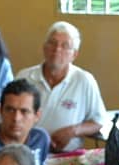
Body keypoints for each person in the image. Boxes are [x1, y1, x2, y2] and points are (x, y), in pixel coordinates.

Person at [15, 21, 106, 152]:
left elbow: (98, 121)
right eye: (52, 43)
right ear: (44, 48)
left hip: (67, 156)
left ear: (74, 54)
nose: (57, 49)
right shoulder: (25, 77)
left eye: (65, 46)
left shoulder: (84, 80)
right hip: (25, 153)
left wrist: (73, 131)